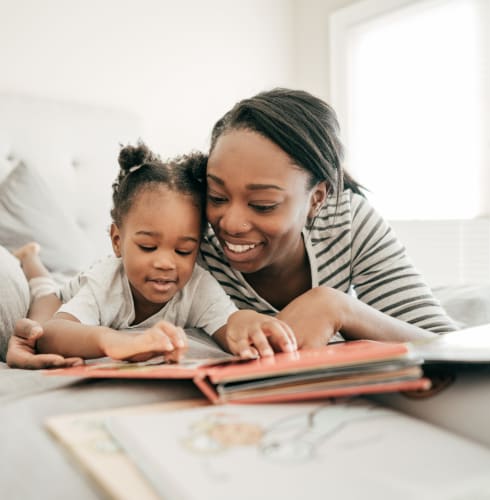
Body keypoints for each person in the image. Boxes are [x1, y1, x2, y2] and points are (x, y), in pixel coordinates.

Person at [6, 88, 456, 369]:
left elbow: (451, 346)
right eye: (217, 196)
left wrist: (340, 308)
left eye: (262, 203)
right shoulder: (185, 239)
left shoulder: (350, 221)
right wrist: (37, 331)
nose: (229, 223)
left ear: (317, 197)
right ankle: (32, 260)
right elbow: (99, 298)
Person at [6, 142, 296, 368]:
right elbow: (55, 333)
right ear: (118, 241)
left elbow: (228, 322)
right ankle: (31, 258)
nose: (165, 263)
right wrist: (112, 341)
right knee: (42, 304)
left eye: (184, 250)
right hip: (66, 293)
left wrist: (249, 323)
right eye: (148, 247)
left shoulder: (198, 285)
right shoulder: (105, 283)